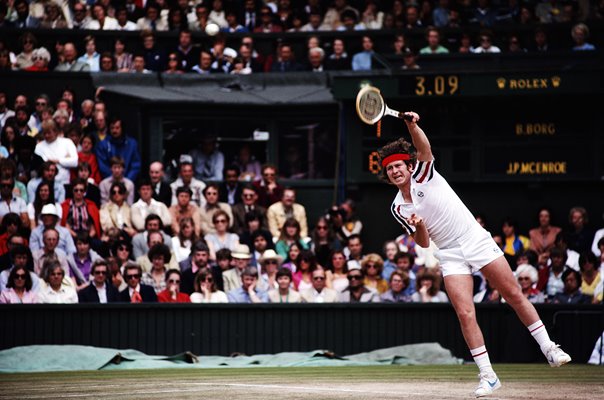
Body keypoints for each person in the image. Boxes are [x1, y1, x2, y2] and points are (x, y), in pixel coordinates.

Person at [377, 110, 570, 397]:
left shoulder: (424, 173)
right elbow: (424, 243)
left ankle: (549, 347)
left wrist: (410, 124)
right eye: (390, 169)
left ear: (408, 166)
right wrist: (419, 227)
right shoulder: (397, 208)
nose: (395, 172)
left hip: (474, 240)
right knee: (465, 313)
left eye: (399, 166)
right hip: (450, 253)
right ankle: (488, 375)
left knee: (514, 294)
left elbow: (425, 149)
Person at [34, 120, 78, 187]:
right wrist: (65, 160)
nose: (46, 135)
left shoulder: (67, 142)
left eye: (49, 133)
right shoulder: (39, 146)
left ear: (56, 132)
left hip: (64, 182)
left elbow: (74, 162)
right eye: (44, 133)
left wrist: (58, 161)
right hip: (46, 184)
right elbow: (43, 164)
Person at [96, 117, 141, 182]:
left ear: (122, 128)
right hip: (110, 183)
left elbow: (135, 166)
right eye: (112, 128)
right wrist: (114, 181)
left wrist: (126, 181)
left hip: (128, 183)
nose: (114, 131)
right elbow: (103, 167)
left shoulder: (132, 144)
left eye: (117, 128)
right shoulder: (103, 145)